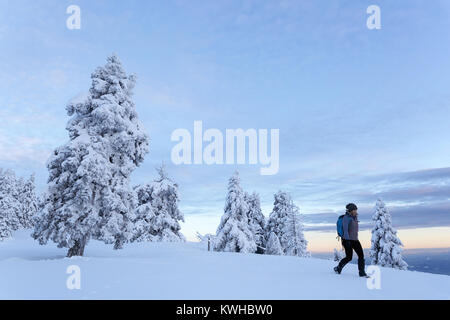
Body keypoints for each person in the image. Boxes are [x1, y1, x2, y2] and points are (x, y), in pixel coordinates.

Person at [334, 203, 368, 277]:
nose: (356, 211)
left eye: (356, 210)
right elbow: (345, 230)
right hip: (347, 240)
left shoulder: (355, 217)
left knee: (361, 255)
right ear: (350, 210)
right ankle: (338, 268)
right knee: (349, 257)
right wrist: (347, 241)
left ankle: (362, 273)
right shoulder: (346, 218)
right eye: (354, 210)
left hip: (355, 240)